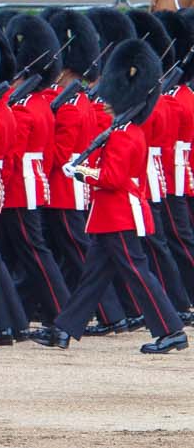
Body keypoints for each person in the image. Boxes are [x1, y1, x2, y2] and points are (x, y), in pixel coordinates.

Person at [38, 38, 187, 352]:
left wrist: (81, 173)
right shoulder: (123, 130)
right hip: (109, 215)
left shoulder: (123, 135)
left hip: (118, 214)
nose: (104, 102)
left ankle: (171, 330)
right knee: (92, 278)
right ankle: (64, 329)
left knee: (137, 273)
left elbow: (113, 178)